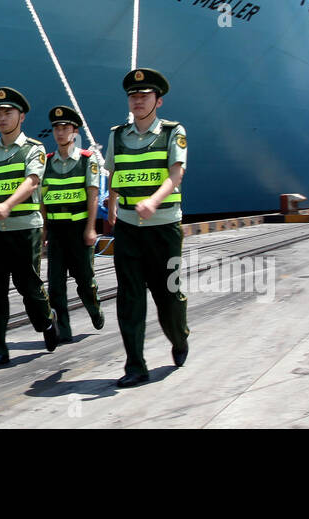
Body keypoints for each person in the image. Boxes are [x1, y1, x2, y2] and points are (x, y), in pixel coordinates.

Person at [105, 68, 189, 388]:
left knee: (169, 296)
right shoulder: (117, 135)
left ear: (159, 100)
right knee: (129, 298)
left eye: (144, 95)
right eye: (133, 96)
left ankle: (179, 338)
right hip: (128, 228)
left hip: (164, 228)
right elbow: (114, 175)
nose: (137, 101)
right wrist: (111, 209)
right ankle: (135, 366)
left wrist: (153, 201)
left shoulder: (172, 133)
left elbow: (175, 175)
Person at [0, 86, 59, 367]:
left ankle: (46, 320)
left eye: (8, 113)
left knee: (29, 286)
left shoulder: (33, 149)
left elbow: (32, 181)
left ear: (21, 116)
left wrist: (8, 205)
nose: (2, 118)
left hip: (24, 229)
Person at [40, 106, 105, 342]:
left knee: (85, 280)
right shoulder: (46, 162)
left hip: (79, 231)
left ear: (74, 131)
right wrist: (44, 230)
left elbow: (93, 195)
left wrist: (90, 228)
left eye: (65, 128)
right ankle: (63, 331)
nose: (60, 132)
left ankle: (94, 308)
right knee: (55, 285)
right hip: (57, 233)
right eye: (57, 128)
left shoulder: (87, 161)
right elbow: (43, 199)